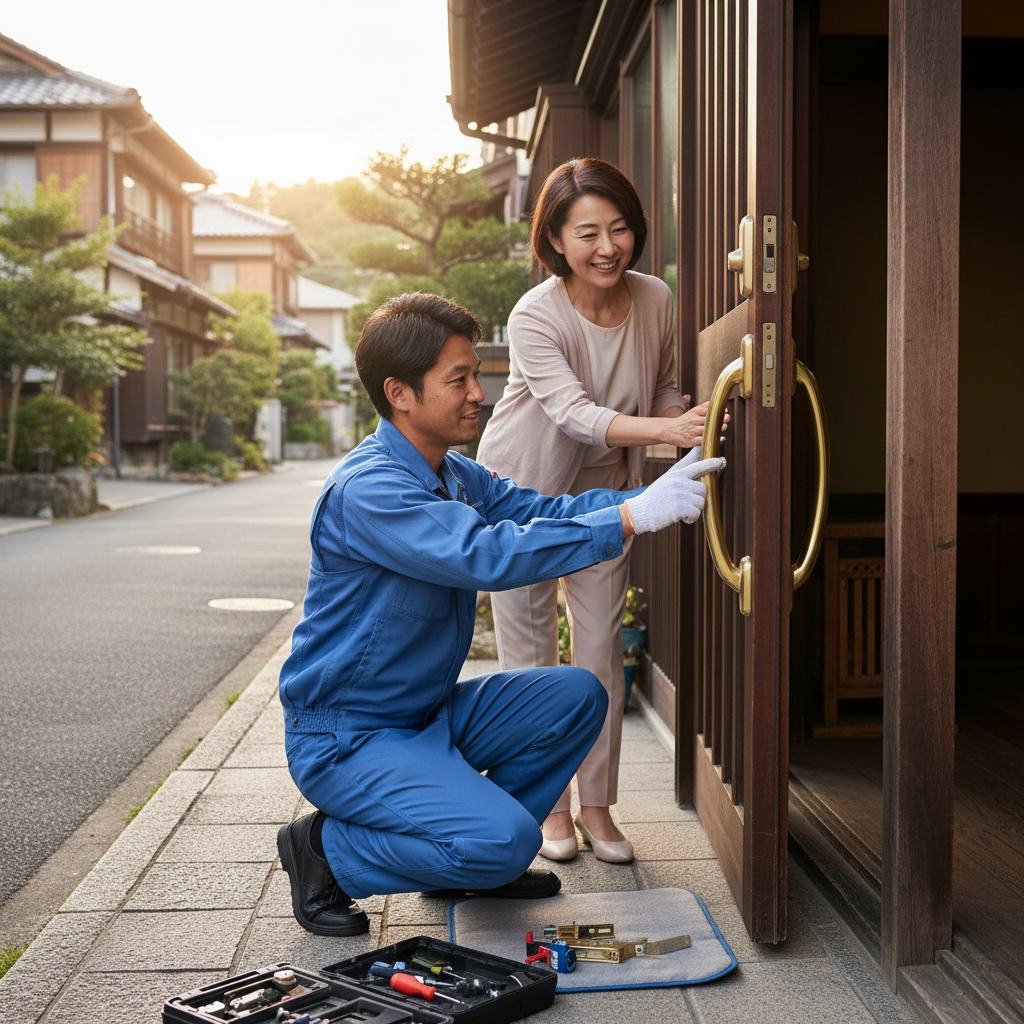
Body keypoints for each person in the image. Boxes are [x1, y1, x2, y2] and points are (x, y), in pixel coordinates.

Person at [276, 291, 724, 936]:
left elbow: (535, 511)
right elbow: (484, 554)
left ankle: (472, 857)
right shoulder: (370, 489)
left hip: (422, 716)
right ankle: (326, 853)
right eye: (457, 380)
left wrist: (640, 497)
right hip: (349, 737)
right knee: (509, 841)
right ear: (399, 394)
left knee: (575, 694)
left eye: (475, 375)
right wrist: (627, 518)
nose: (477, 394)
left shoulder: (455, 472)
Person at [477, 158, 726, 864]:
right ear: (555, 240)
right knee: (530, 659)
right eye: (588, 232)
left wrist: (694, 417)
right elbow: (573, 413)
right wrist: (668, 431)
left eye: (619, 228)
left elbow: (666, 391)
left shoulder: (655, 297)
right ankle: (549, 811)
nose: (607, 246)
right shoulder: (535, 313)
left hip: (611, 496)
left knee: (598, 655)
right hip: (522, 495)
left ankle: (598, 807)